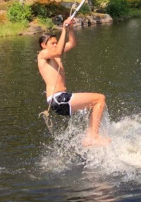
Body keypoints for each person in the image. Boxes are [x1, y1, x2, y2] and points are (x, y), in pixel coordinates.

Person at [38, 16, 110, 146]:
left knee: (93, 105)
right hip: (57, 99)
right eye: (52, 43)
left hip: (62, 99)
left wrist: (70, 28)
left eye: (55, 42)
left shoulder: (54, 53)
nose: (55, 45)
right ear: (43, 45)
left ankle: (89, 137)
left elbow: (71, 43)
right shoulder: (43, 54)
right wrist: (63, 28)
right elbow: (59, 51)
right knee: (100, 98)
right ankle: (93, 137)